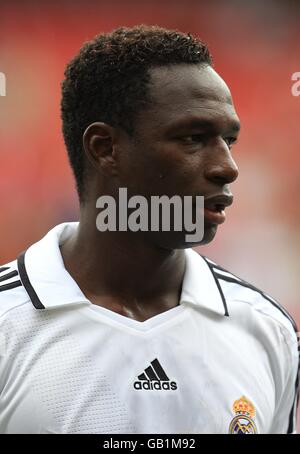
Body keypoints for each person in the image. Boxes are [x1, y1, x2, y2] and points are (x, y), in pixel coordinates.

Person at [0, 25, 298, 434]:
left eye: (229, 140)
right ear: (105, 149)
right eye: (194, 138)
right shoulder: (8, 325)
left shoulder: (266, 329)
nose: (227, 167)